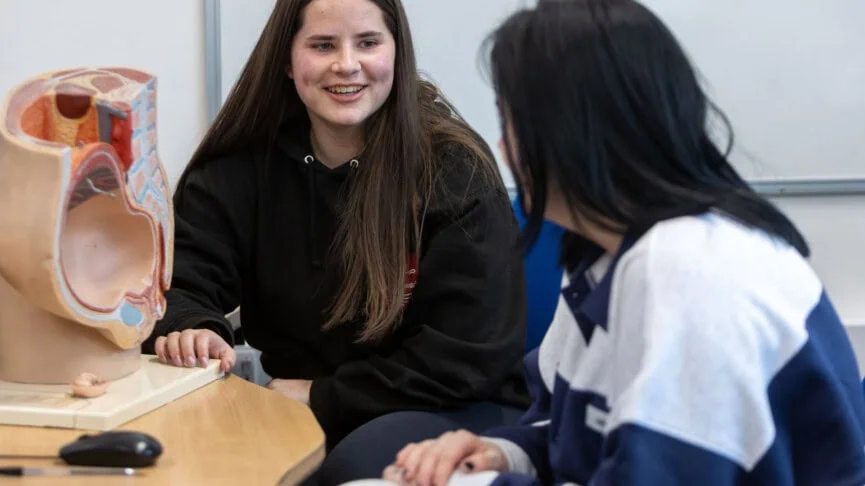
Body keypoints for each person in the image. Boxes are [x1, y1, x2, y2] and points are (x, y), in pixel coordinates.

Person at [381, 0, 865, 485]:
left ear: (569, 133)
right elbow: (574, 438)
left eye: (509, 122)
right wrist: (499, 455)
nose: (504, 148)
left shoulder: (695, 275)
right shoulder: (602, 256)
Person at [141, 0, 530, 481]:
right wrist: (193, 328)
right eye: (322, 45)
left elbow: (468, 355)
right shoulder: (240, 167)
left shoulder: (453, 169)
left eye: (367, 43)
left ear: (397, 53)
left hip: (446, 407)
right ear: (286, 60)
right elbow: (175, 284)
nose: (347, 64)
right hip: (296, 402)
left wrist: (318, 396)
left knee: (341, 469)